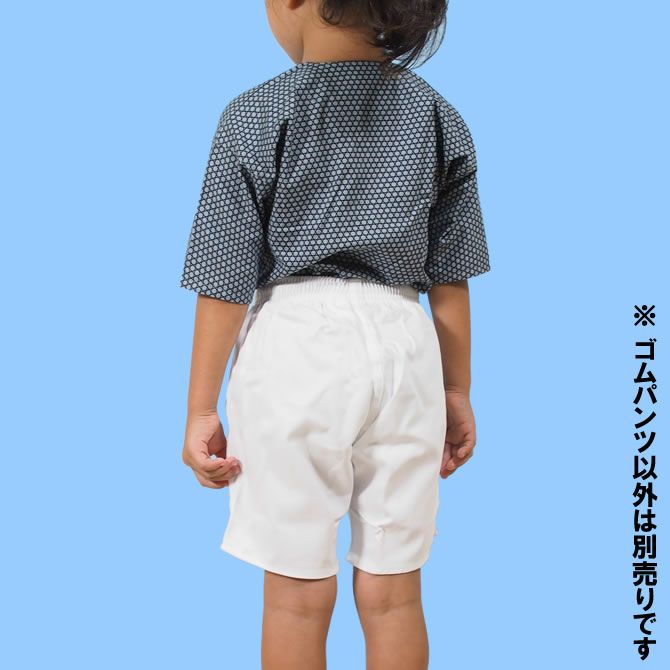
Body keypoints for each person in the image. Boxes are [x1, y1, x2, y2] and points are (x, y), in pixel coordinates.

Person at [180, 1, 491, 668]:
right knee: (395, 589)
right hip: (406, 342)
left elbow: (223, 276)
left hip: (295, 345)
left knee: (295, 594)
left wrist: (202, 407)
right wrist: (456, 389)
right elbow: (451, 276)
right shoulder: (439, 116)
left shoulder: (256, 114)